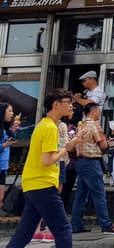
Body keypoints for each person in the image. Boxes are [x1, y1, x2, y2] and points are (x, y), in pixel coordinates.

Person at [6, 89, 80, 248]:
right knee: (63, 229)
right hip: (43, 184)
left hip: (33, 184)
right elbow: (47, 160)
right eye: (68, 103)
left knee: (25, 233)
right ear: (56, 104)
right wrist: (65, 149)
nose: (71, 107)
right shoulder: (50, 128)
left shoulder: (44, 125)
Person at [70, 102, 114, 233]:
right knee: (99, 194)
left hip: (80, 162)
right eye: (98, 110)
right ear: (94, 111)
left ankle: (76, 225)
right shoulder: (94, 125)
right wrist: (109, 142)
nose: (99, 113)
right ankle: (106, 224)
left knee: (80, 195)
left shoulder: (81, 125)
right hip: (91, 162)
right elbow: (103, 145)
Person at [0, 102, 21, 205]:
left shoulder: (5, 130)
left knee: (1, 197)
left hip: (3, 166)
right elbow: (3, 145)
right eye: (9, 111)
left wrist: (13, 131)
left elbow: (9, 141)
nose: (12, 114)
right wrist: (3, 145)